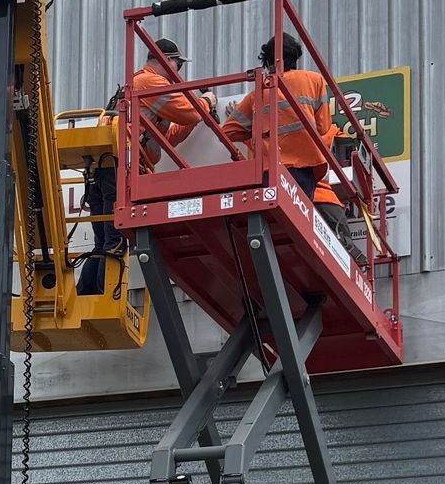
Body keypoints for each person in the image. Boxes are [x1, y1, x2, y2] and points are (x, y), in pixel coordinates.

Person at [77, 35, 213, 296]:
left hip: (103, 168)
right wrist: (207, 103)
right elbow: (191, 111)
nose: (178, 74)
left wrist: (197, 116)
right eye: (178, 66)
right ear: (167, 61)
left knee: (104, 240)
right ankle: (104, 297)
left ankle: (88, 295)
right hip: (119, 167)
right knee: (114, 239)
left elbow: (168, 135)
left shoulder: (138, 89)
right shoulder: (150, 82)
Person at [224, 32, 369, 264]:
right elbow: (323, 127)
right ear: (296, 57)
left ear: (267, 60)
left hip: (270, 172)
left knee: (273, 231)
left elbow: (229, 131)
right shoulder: (313, 80)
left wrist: (257, 135)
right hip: (303, 170)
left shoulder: (258, 92)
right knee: (302, 230)